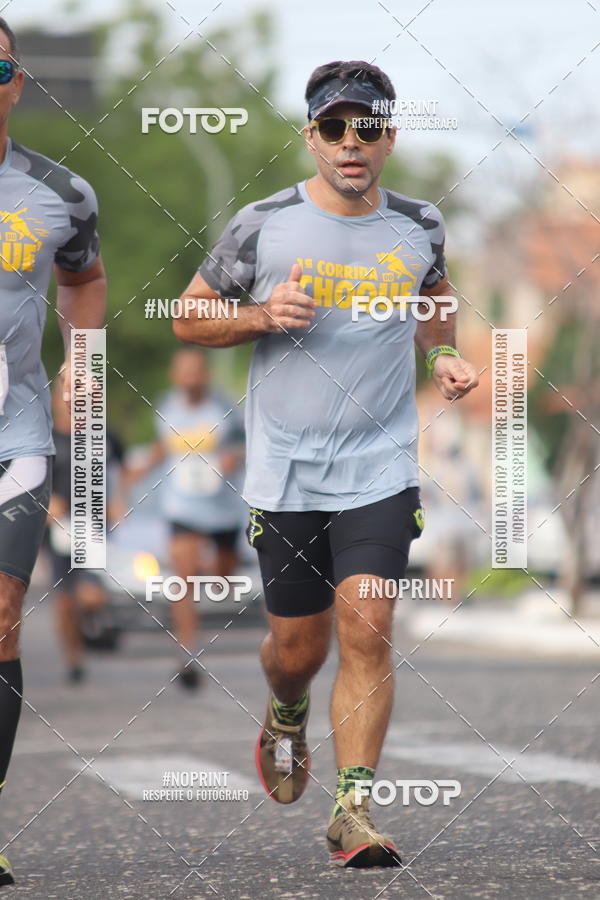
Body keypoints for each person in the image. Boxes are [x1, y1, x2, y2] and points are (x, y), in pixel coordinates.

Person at [173, 59, 479, 867]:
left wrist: (442, 353)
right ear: (311, 136)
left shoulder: (420, 224)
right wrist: (260, 315)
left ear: (389, 136)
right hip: (287, 472)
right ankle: (285, 710)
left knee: (370, 627)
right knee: (297, 651)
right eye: (336, 127)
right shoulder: (261, 223)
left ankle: (353, 808)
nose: (352, 142)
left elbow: (435, 298)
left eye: (368, 126)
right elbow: (190, 319)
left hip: (379, 465)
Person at [0, 19, 106, 886]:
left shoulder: (59, 192)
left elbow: (84, 279)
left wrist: (85, 362)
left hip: (17, 436)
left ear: (17, 80)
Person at [124, 347, 245, 690]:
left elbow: (248, 444)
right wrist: (137, 471)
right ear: (174, 376)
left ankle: (197, 582)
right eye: (184, 372)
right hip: (182, 507)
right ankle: (187, 654)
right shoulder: (166, 407)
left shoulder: (225, 408)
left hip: (222, 509)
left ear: (205, 375)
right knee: (184, 575)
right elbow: (163, 446)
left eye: (196, 372)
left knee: (222, 580)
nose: (190, 379)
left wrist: (234, 457)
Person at [46, 382, 123, 683]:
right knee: (64, 602)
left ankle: (92, 621)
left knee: (91, 595)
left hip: (94, 526)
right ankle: (74, 658)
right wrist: (46, 502)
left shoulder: (103, 436)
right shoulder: (46, 438)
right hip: (58, 529)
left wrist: (117, 500)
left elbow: (122, 470)